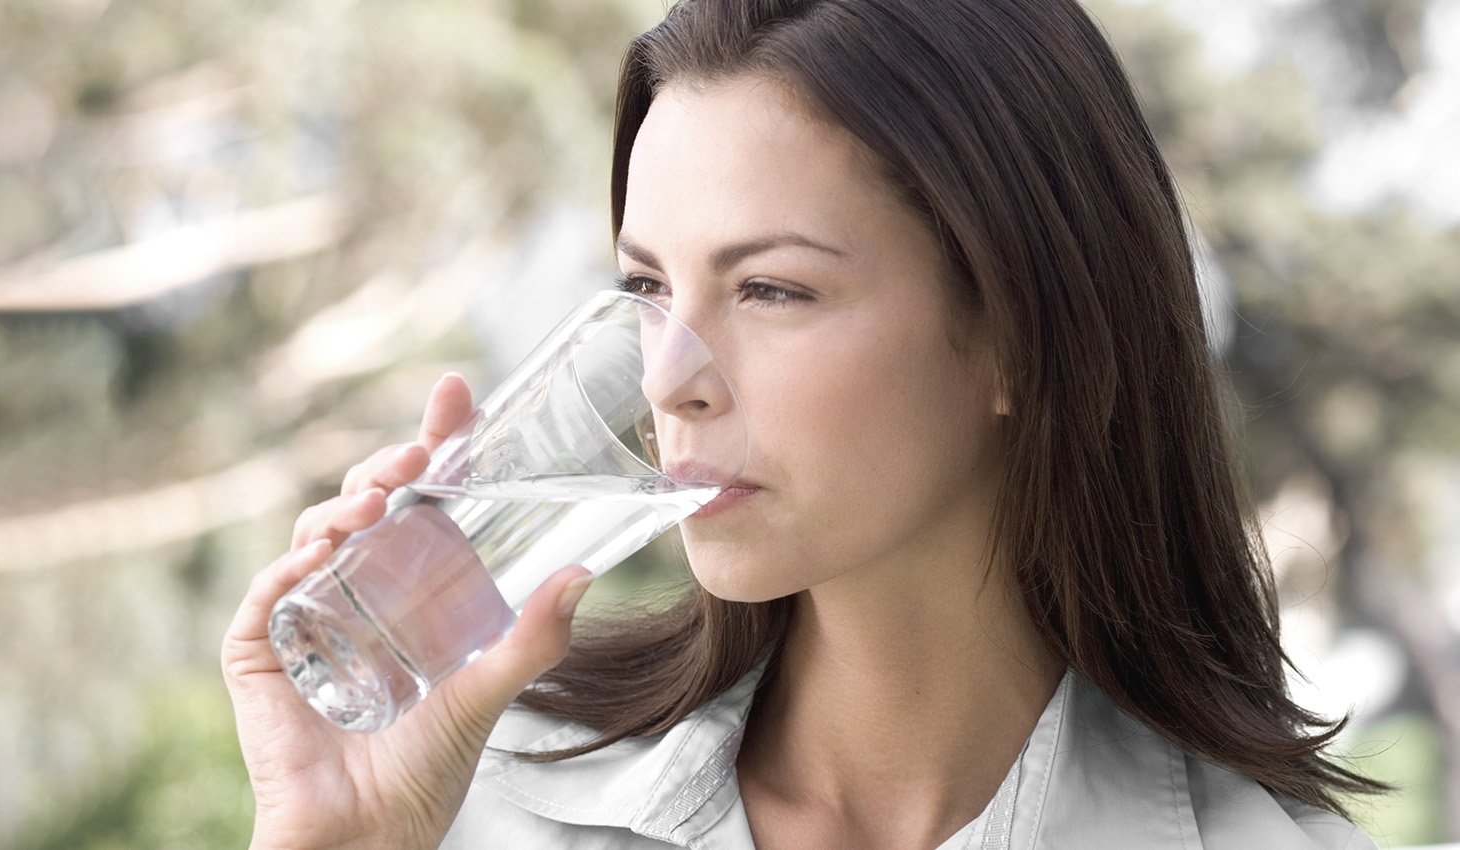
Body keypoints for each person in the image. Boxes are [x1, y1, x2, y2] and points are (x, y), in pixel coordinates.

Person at [222, 0, 1388, 847]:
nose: (670, 379)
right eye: (645, 290)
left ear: (1022, 338)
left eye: (771, 289)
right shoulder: (488, 798)